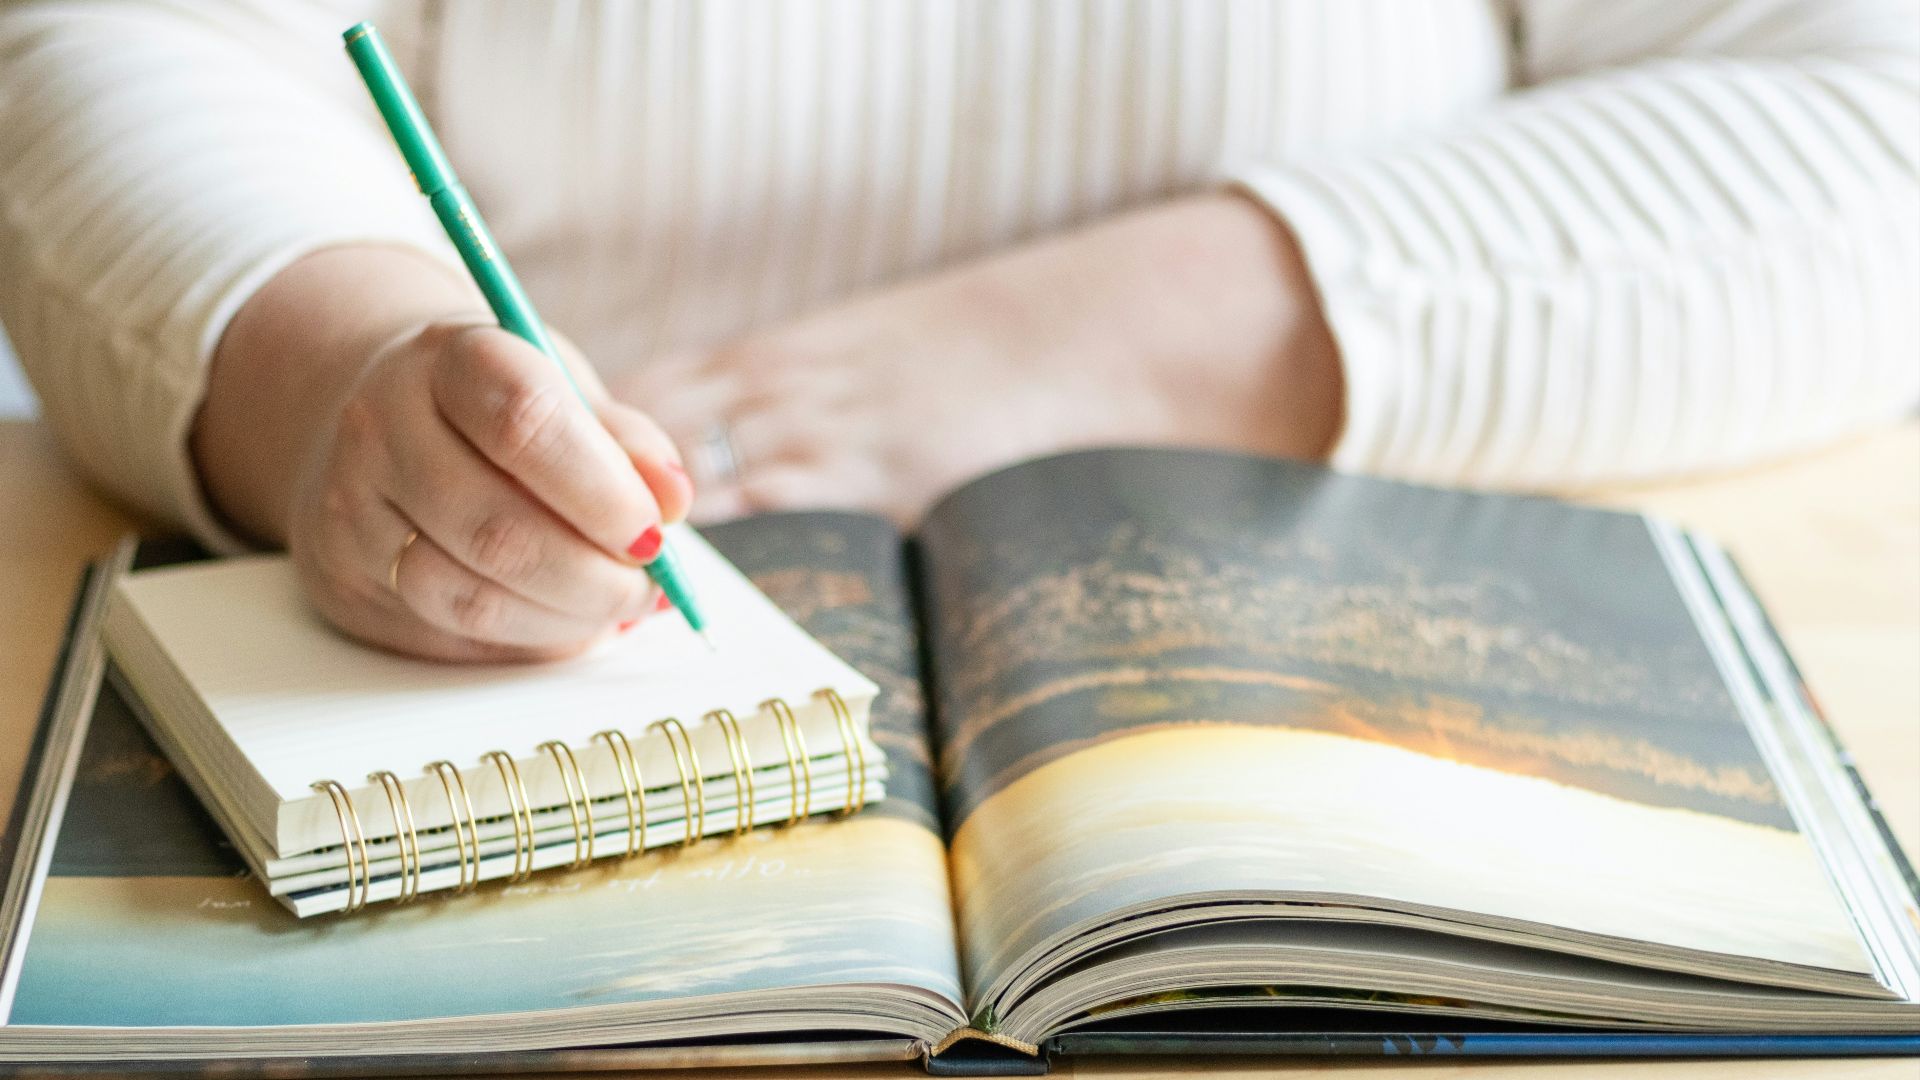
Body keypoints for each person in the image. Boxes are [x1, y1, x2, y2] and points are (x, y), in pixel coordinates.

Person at [1, 0, 1914, 662]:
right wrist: (349, 388)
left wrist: (1057, 357)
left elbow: (1875, 117)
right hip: (536, 684)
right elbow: (132, 48)